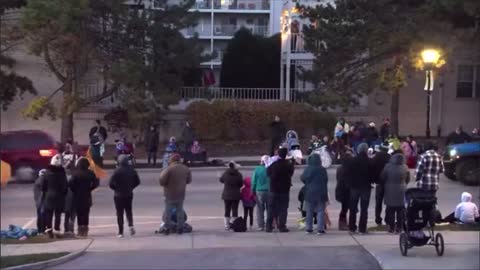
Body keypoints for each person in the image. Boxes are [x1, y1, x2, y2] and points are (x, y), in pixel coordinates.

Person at [159, 153, 192, 235]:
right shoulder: (186, 169)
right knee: (179, 211)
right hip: (180, 193)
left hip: (169, 194)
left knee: (168, 212)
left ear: (171, 160)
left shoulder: (168, 169)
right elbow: (189, 180)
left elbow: (161, 181)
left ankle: (167, 228)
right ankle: (180, 228)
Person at [109, 155, 141, 238]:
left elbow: (110, 183)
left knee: (119, 213)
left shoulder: (116, 171)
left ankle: (120, 231)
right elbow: (137, 181)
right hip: (128, 193)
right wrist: (131, 187)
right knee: (128, 210)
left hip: (118, 194)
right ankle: (131, 225)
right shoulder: (132, 170)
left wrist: (116, 188)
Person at [69, 157, 99, 237]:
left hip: (77, 196)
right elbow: (96, 183)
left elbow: (71, 184)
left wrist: (75, 190)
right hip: (87, 195)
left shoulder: (75, 173)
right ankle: (85, 230)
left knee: (79, 214)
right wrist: (90, 188)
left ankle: (80, 230)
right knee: (86, 213)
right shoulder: (90, 173)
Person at [266, 148, 294, 233]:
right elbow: (291, 173)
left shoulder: (274, 164)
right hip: (284, 190)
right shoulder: (288, 165)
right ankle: (282, 226)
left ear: (278, 154)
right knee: (283, 208)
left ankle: (269, 226)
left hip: (274, 189)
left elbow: (268, 173)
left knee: (271, 208)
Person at [380, 153, 410, 233]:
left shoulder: (387, 166)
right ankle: (399, 227)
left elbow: (383, 177)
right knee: (401, 209)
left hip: (390, 189)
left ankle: (391, 227)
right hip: (401, 189)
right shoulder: (405, 167)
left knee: (390, 209)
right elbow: (408, 179)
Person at [347, 143, 373, 234]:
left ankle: (352, 227)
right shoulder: (369, 161)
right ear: (366, 150)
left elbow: (348, 173)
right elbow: (372, 174)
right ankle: (362, 228)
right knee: (364, 208)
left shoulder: (352, 161)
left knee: (353, 208)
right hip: (366, 187)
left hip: (354, 187)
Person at [301, 154, 328, 234]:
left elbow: (303, 178)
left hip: (309, 192)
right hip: (321, 192)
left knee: (309, 211)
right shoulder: (322, 169)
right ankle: (320, 229)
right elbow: (326, 180)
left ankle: (308, 228)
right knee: (320, 211)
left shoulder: (308, 169)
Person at [42, 154, 68, 238]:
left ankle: (49, 230)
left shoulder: (46, 173)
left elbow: (43, 186)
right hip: (59, 196)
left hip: (49, 196)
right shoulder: (62, 174)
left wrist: (45, 192)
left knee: (48, 214)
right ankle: (57, 230)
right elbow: (65, 186)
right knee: (58, 214)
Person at [371, 143, 391, 226]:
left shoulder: (376, 157)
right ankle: (388, 219)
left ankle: (378, 219)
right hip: (388, 182)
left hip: (379, 182)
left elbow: (372, 168)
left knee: (378, 202)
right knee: (388, 202)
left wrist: (373, 179)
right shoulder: (390, 157)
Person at [220, 161, 243, 230]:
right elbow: (241, 184)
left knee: (227, 209)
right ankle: (234, 223)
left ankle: (227, 225)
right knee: (235, 210)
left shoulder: (225, 173)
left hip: (226, 194)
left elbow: (221, 180)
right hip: (236, 195)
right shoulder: (238, 174)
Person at [335, 150, 353, 230]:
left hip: (341, 190)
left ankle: (342, 223)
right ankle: (345, 223)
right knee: (349, 208)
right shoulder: (350, 168)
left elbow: (338, 179)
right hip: (347, 190)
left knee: (344, 208)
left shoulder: (340, 168)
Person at [251, 155, 270, 231]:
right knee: (270, 209)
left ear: (261, 161)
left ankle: (261, 225)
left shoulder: (257, 169)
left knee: (259, 209)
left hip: (259, 191)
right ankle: (269, 224)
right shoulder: (270, 169)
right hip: (269, 191)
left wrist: (252, 191)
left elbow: (254, 181)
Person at [33, 170, 46, 235]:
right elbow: (43, 191)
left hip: (38, 201)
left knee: (40, 216)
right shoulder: (42, 180)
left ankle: (40, 230)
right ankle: (41, 230)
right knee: (42, 216)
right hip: (41, 201)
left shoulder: (37, 180)